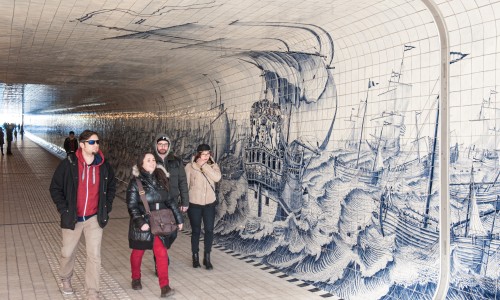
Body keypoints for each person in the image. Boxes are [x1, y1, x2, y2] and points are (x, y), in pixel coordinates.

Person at [49, 129, 116, 300]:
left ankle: (92, 291)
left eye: (97, 142)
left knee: (94, 256)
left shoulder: (104, 165)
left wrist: (106, 207)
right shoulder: (69, 163)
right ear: (82, 145)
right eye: (92, 142)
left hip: (94, 218)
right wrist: (64, 209)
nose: (96, 145)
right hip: (73, 217)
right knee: (68, 252)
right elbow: (55, 188)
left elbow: (111, 188)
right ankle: (66, 279)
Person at [126, 152, 183, 298]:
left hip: (160, 224)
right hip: (144, 223)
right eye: (148, 160)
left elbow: (170, 201)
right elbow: (132, 205)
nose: (152, 162)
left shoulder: (162, 179)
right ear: (141, 164)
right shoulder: (136, 183)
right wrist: (140, 222)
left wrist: (179, 219)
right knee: (138, 253)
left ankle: (165, 287)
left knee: (162, 253)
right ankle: (136, 278)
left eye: (153, 160)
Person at [185, 144, 221, 270]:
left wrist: (204, 165)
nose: (206, 156)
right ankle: (195, 256)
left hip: (209, 204)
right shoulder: (190, 167)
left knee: (209, 230)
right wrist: (184, 202)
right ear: (198, 154)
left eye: (208, 154)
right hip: (194, 204)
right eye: (203, 154)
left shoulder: (213, 166)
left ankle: (207, 257)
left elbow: (217, 178)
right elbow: (186, 186)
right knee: (196, 231)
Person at [153, 134, 189, 248]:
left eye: (165, 145)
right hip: (157, 202)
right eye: (160, 144)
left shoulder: (176, 161)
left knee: (173, 231)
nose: (162, 147)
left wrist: (185, 202)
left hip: (173, 201)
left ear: (169, 146)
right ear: (156, 146)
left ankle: (163, 250)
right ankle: (160, 257)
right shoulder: (151, 160)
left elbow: (182, 182)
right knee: (158, 230)